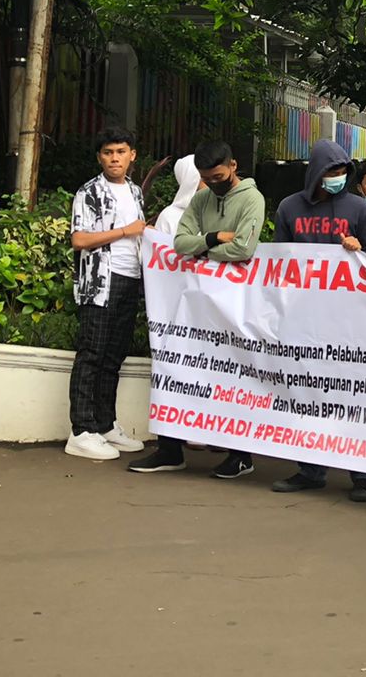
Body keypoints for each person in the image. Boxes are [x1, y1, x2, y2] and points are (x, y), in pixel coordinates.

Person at [128, 142, 264, 479]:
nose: (212, 183)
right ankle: (170, 449)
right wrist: (216, 237)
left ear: (233, 166)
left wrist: (202, 248)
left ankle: (240, 455)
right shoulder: (202, 199)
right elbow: (179, 243)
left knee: (232, 373)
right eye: (206, 178)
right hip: (192, 303)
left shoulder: (251, 199)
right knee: (177, 368)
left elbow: (245, 247)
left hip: (233, 301)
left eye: (218, 176)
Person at [269, 138, 366, 500]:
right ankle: (310, 470)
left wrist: (359, 249)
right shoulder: (288, 208)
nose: (338, 178)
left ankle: (361, 475)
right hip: (305, 318)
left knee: (353, 396)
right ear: (316, 172)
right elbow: (278, 261)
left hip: (349, 320)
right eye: (332, 171)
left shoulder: (358, 208)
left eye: (343, 172)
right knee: (309, 395)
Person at [66, 128, 149, 461]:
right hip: (100, 282)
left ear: (132, 155)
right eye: (108, 152)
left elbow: (140, 235)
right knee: (92, 354)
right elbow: (80, 240)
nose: (114, 158)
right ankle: (81, 431)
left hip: (130, 279)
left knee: (114, 356)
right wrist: (126, 231)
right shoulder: (89, 192)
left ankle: (105, 425)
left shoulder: (135, 191)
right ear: (99, 157)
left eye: (120, 151)